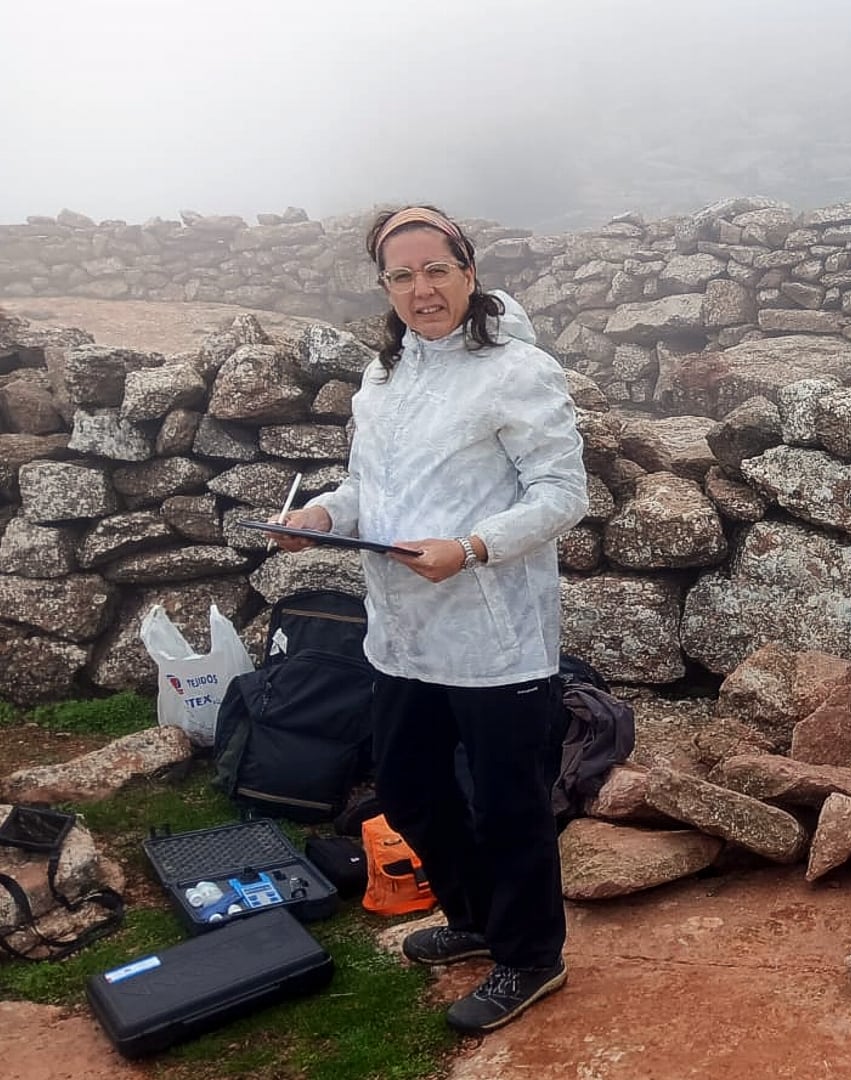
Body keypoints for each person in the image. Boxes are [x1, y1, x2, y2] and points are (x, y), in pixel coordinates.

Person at [272, 204, 588, 1034]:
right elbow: (369, 487)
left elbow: (562, 495)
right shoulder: (385, 375)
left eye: (436, 270)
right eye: (403, 276)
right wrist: (326, 517)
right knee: (410, 793)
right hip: (401, 630)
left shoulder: (518, 371)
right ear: (386, 286)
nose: (423, 289)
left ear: (468, 271)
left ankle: (531, 956)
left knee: (508, 804)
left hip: (495, 635)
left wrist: (473, 546)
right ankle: (478, 918)